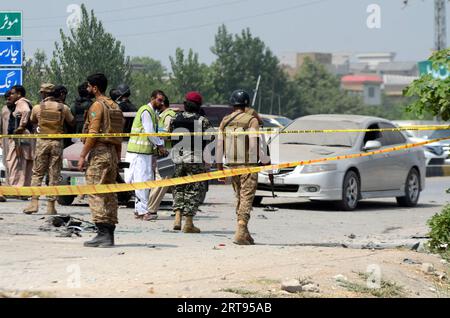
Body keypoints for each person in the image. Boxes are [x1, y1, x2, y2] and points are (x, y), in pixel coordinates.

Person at [216, 89, 271, 245]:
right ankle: (241, 228)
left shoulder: (225, 120)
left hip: (231, 164)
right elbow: (254, 145)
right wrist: (263, 160)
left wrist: (219, 168)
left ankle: (244, 232)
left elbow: (219, 146)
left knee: (239, 196)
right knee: (246, 196)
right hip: (248, 164)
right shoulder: (251, 120)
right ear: (247, 103)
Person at [77, 73, 124, 248]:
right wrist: (117, 157)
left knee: (96, 191)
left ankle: (102, 233)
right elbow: (118, 135)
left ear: (95, 88)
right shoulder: (115, 106)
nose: (87, 89)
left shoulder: (98, 105)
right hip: (112, 152)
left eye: (89, 86)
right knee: (109, 194)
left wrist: (82, 155)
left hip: (100, 153)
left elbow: (93, 133)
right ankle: (108, 233)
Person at [23, 85, 75, 215]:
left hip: (42, 142)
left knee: (37, 173)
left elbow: (32, 120)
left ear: (43, 94)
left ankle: (34, 203)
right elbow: (72, 121)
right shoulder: (63, 108)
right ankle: (51, 207)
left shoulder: (37, 107)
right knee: (54, 174)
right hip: (56, 143)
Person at [169, 91, 213, 233]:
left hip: (177, 157)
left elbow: (169, 135)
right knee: (194, 189)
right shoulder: (202, 120)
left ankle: (177, 217)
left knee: (178, 186)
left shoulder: (175, 118)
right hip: (195, 157)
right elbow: (211, 137)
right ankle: (188, 222)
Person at [125, 90, 166, 221]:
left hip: (143, 152)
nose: (161, 103)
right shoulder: (146, 112)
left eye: (162, 101)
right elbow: (149, 132)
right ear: (152, 98)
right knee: (142, 181)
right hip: (139, 153)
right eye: (159, 100)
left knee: (142, 181)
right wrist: (160, 145)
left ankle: (139, 210)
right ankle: (143, 212)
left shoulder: (153, 113)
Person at [147, 95, 177, 218]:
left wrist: (157, 139)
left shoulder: (168, 115)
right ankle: (177, 210)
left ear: (162, 103)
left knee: (162, 181)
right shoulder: (162, 115)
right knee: (173, 182)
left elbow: (166, 134)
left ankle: (150, 209)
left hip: (166, 151)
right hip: (165, 150)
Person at [5, 85, 34, 189]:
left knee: (16, 162)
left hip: (20, 137)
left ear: (19, 94)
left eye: (13, 93)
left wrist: (21, 126)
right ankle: (23, 188)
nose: (11, 95)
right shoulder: (22, 103)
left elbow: (26, 111)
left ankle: (16, 188)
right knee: (23, 162)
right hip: (23, 137)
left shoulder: (21, 103)